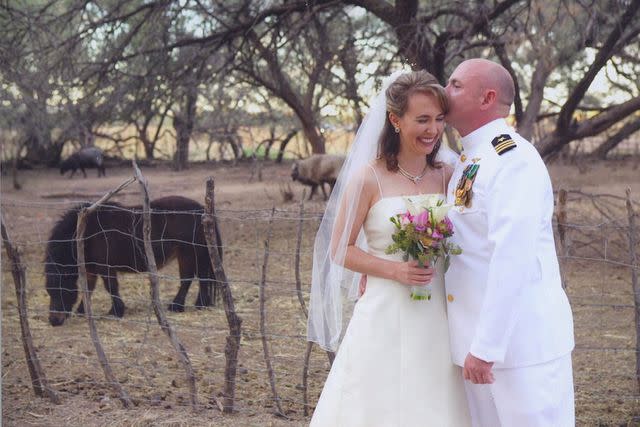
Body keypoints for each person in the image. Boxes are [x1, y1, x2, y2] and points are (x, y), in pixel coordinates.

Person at [308, 70, 470, 426]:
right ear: (395, 120)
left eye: (440, 119)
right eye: (422, 120)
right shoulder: (368, 177)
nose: (433, 130)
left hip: (439, 310)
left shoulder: (450, 174)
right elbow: (340, 250)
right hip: (385, 307)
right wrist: (393, 270)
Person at [443, 58, 575, 426]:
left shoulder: (511, 160)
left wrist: (486, 349)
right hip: (477, 345)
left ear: (486, 98)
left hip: (518, 347)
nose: (444, 90)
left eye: (455, 84)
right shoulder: (472, 157)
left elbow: (511, 259)